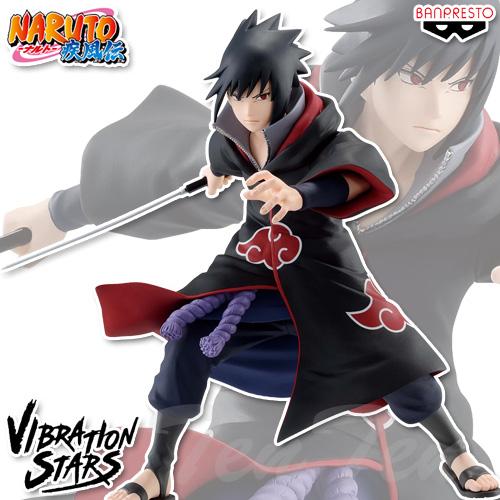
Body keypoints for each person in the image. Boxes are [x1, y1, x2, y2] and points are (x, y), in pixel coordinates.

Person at [94, 11, 497, 500]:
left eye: (260, 97)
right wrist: (215, 173)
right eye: (238, 96)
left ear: (285, 90)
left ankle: (456, 453)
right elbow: (223, 149)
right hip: (254, 269)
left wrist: (299, 195)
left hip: (323, 272)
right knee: (190, 338)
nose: (248, 109)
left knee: (393, 357)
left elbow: (356, 178)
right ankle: (157, 470)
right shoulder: (236, 132)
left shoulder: (323, 137)